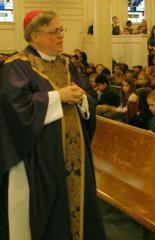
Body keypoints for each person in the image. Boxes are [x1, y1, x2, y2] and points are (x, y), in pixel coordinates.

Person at [0, 10, 105, 239]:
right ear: (35, 36)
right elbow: (16, 109)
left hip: (77, 154)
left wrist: (82, 98)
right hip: (41, 157)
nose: (60, 36)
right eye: (54, 31)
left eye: (61, 30)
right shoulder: (17, 66)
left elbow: (88, 94)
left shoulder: (69, 64)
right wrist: (58, 97)